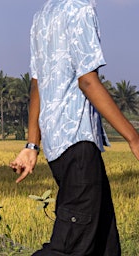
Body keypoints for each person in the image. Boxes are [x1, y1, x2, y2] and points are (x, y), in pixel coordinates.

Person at [10, 0, 139, 255]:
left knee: (105, 243)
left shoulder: (43, 15)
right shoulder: (80, 9)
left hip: (61, 148)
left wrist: (32, 145)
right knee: (68, 247)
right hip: (78, 145)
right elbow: (88, 82)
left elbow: (37, 84)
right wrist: (133, 138)